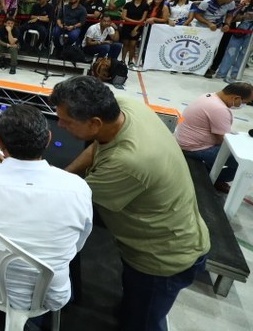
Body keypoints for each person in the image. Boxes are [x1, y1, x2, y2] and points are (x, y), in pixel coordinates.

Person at [50, 76, 210, 331]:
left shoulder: (130, 162)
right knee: (133, 306)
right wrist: (66, 173)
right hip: (159, 238)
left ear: (94, 123)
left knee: (142, 323)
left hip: (162, 259)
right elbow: (99, 147)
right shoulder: (125, 107)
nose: (60, 125)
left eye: (66, 122)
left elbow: (71, 201)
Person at [0, 105, 92, 312]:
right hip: (50, 295)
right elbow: (77, 246)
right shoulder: (78, 188)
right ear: (49, 138)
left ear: (1, 143)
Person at [174, 83, 253, 191]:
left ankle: (210, 171)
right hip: (193, 148)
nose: (244, 105)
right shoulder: (220, 109)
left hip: (183, 140)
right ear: (236, 98)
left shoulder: (209, 96)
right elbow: (224, 141)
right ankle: (213, 179)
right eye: (245, 102)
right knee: (242, 162)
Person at [119, 0, 149, 67]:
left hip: (137, 27)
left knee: (133, 44)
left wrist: (136, 27)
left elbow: (143, 19)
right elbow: (123, 16)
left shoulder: (145, 6)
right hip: (127, 26)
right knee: (125, 43)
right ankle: (122, 60)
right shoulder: (128, 4)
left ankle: (130, 61)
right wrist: (133, 21)